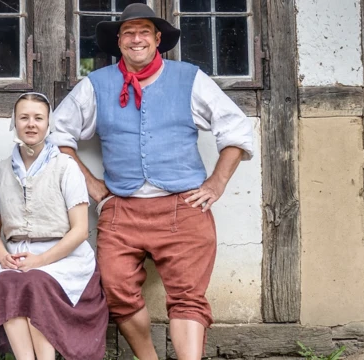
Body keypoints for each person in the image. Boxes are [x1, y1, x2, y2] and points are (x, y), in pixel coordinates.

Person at [48, 4, 256, 360]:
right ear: (119, 41)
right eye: (128, 32)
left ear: (158, 39)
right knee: (115, 289)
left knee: (188, 296)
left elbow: (236, 129)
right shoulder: (96, 85)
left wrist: (216, 184)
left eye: (144, 31)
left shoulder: (189, 78)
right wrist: (94, 187)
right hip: (122, 210)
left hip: (184, 208)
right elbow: (56, 135)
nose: (136, 39)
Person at [0, 93, 109, 360]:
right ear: (13, 122)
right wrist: (4, 257)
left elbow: (79, 231)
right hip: (17, 254)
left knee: (34, 282)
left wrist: (39, 260)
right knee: (6, 283)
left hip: (62, 256)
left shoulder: (65, 167)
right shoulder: (1, 171)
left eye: (38, 118)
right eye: (24, 118)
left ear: (48, 124)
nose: (31, 124)